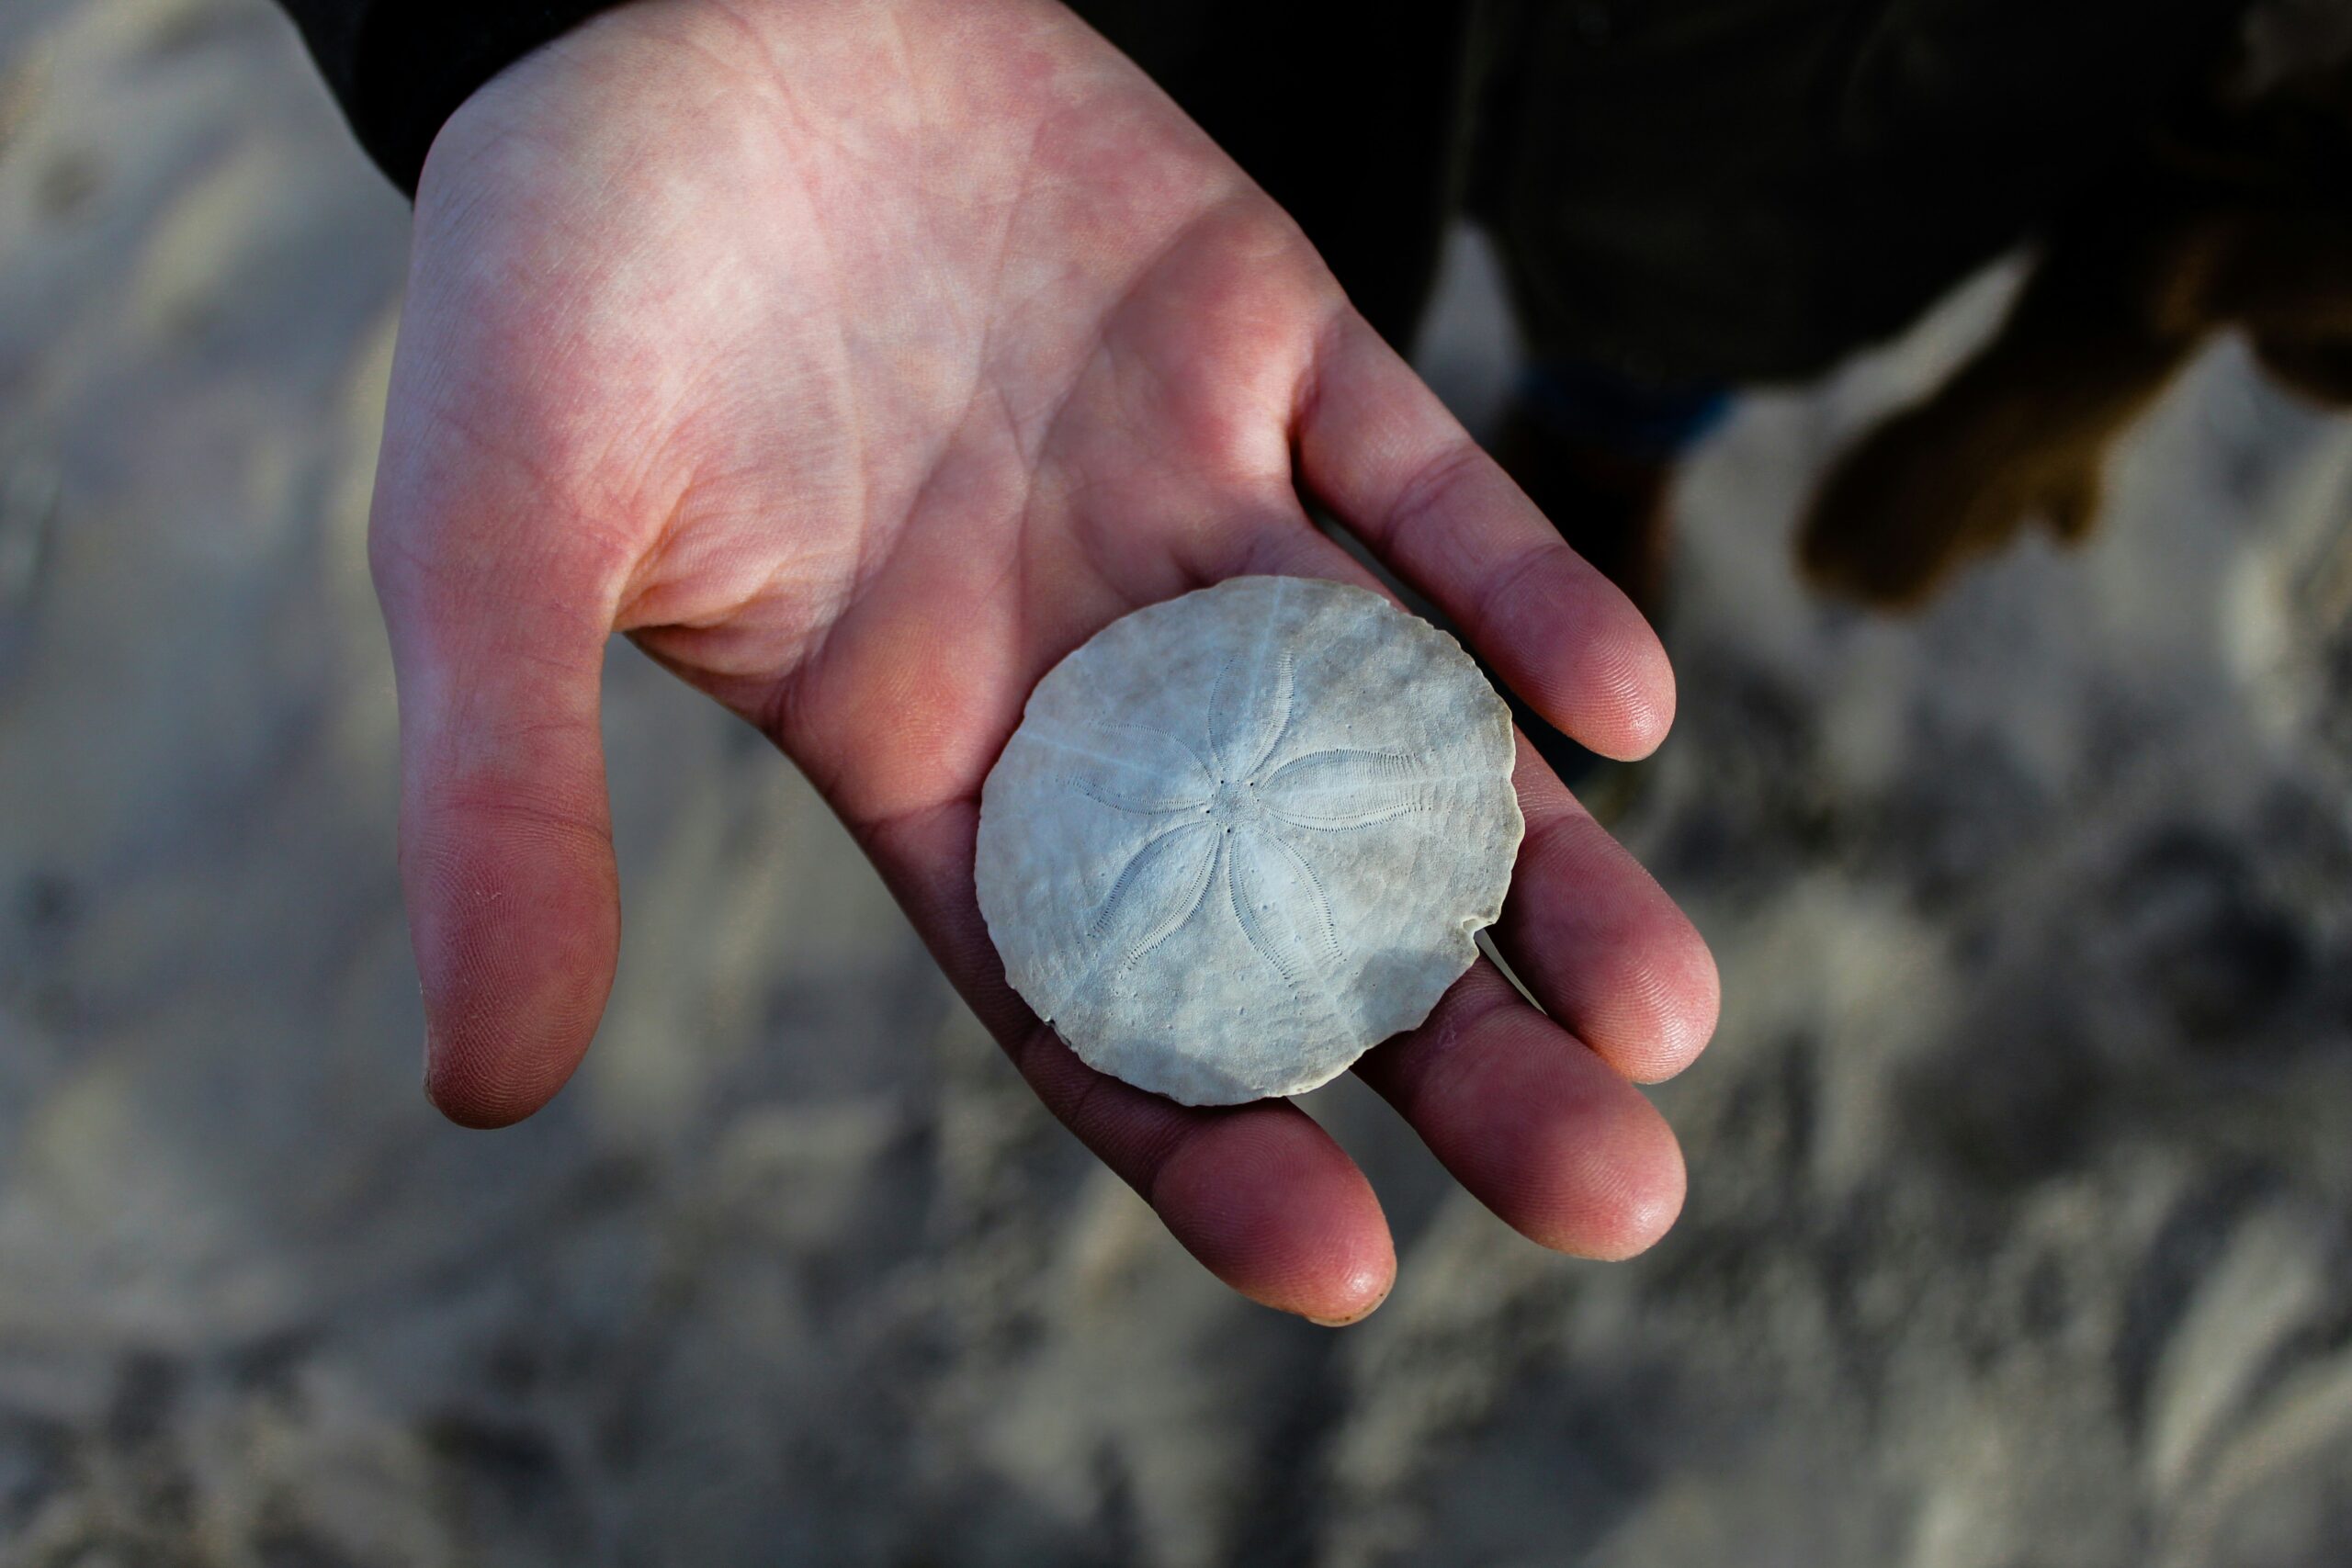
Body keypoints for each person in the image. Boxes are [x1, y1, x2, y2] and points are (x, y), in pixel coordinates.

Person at [264, 0, 2235, 1325]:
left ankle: (1610, 432)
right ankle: (1602, 441)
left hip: (1864, 77)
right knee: (1417, 319)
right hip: (1154, 94)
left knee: (1683, 286)